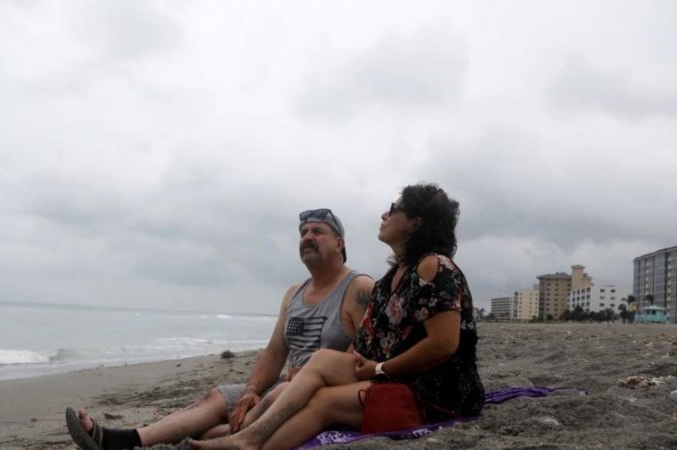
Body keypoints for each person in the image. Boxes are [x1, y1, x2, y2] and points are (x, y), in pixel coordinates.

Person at [190, 183, 484, 450]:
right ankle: (249, 435)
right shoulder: (390, 279)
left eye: (394, 209)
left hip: (435, 392)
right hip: (399, 377)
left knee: (322, 400)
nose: (384, 215)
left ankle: (251, 441)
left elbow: (443, 345)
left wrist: (380, 369)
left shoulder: (433, 265)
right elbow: (366, 341)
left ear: (416, 222)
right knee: (320, 360)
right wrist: (313, 374)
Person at [65, 209, 374, 450]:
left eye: (318, 231)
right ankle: (121, 439)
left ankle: (216, 436)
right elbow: (274, 353)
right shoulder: (294, 293)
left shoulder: (358, 288)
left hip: (319, 390)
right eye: (303, 232)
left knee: (269, 399)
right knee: (219, 398)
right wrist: (251, 391)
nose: (307, 237)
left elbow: (362, 354)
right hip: (283, 385)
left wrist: (303, 379)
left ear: (340, 243)